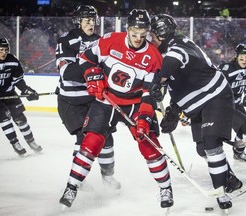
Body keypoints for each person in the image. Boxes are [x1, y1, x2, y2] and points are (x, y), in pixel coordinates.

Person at [59, 9, 174, 209]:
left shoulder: (154, 57)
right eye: (134, 32)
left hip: (135, 105)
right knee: (91, 142)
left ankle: (166, 188)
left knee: (148, 144)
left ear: (148, 32)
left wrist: (144, 117)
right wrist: (92, 75)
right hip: (107, 100)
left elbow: (148, 93)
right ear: (127, 29)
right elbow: (86, 59)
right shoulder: (109, 40)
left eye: (143, 33)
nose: (138, 38)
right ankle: (72, 186)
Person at [149, 14, 246, 210]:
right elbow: (181, 84)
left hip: (213, 97)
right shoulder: (166, 50)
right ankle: (229, 178)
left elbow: (174, 63)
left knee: (211, 146)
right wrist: (173, 110)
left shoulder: (177, 45)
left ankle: (222, 190)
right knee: (202, 148)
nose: (150, 37)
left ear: (160, 33)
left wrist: (158, 81)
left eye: (152, 33)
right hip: (199, 101)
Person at [55, 5, 120, 190]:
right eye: (87, 20)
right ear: (78, 21)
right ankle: (79, 180)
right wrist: (91, 69)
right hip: (70, 101)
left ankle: (108, 177)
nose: (92, 23)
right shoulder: (66, 40)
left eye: (93, 20)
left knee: (106, 138)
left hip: (94, 99)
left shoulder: (101, 42)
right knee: (83, 138)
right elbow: (66, 72)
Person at [0, 38, 42, 156]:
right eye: (1, 50)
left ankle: (31, 141)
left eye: (6, 50)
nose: (4, 53)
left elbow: (18, 81)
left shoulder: (12, 61)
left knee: (21, 118)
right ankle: (15, 143)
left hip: (9, 93)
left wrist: (27, 90)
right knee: (5, 119)